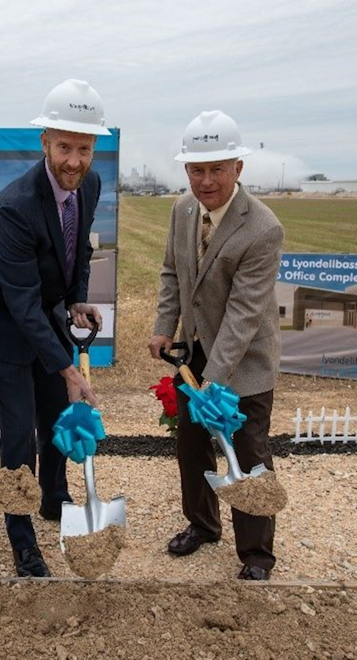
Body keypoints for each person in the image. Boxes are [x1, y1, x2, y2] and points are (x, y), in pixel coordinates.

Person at [0, 79, 110, 577]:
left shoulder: (89, 183)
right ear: (45, 141)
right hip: (6, 324)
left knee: (55, 419)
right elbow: (22, 305)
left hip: (45, 313)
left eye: (84, 148)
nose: (74, 160)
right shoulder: (14, 207)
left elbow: (79, 250)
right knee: (19, 433)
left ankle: (55, 497)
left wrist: (75, 299)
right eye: (64, 147)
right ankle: (22, 539)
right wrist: (69, 367)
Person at [148, 110, 284, 581]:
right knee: (191, 443)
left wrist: (214, 381)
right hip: (194, 350)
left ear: (238, 168)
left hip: (243, 360)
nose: (205, 181)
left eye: (216, 169)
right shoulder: (182, 209)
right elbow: (171, 271)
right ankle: (202, 525)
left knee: (247, 452)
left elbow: (245, 315)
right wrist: (166, 326)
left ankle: (256, 553)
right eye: (196, 170)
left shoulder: (262, 228)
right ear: (186, 170)